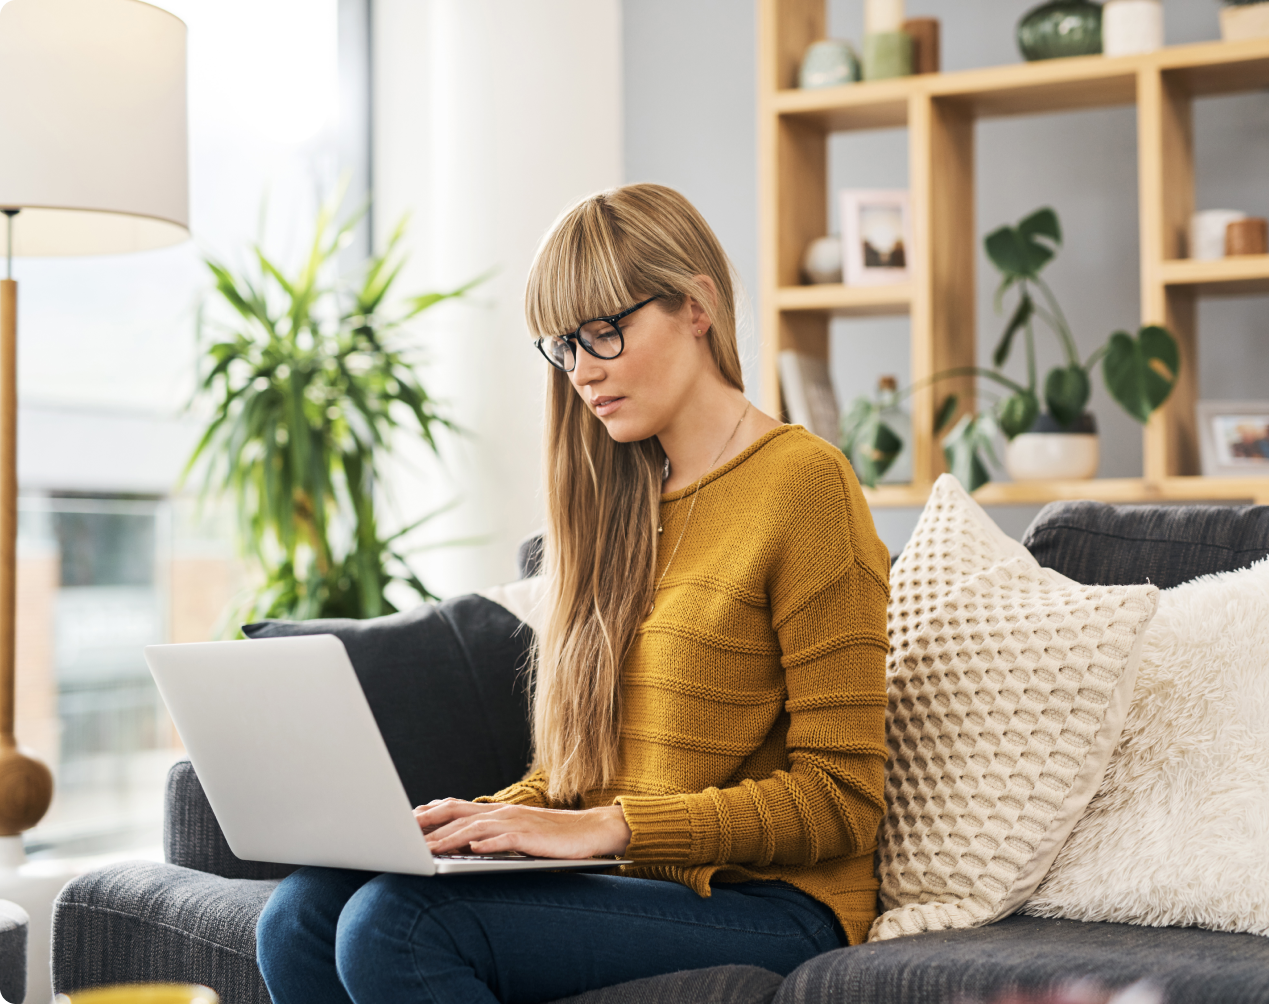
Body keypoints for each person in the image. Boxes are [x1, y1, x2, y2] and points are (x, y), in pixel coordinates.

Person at [256, 183, 891, 1003]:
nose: (583, 372)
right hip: (632, 875)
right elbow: (576, 774)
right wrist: (474, 825)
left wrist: (613, 826)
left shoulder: (804, 485)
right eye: (565, 345)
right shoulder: (615, 501)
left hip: (769, 901)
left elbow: (842, 801)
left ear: (696, 306)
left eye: (606, 333)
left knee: (398, 924)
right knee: (300, 912)